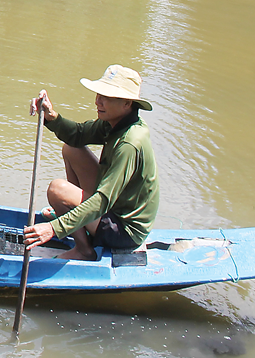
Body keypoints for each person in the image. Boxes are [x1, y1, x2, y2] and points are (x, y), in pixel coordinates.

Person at [23, 65, 158, 260]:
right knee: (71, 148)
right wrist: (51, 116)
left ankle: (83, 249)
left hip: (124, 229)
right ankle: (77, 219)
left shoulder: (129, 143)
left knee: (57, 190)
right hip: (115, 206)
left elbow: (103, 200)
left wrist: (53, 228)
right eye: (98, 94)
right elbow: (77, 135)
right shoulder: (115, 123)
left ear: (127, 103)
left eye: (107, 97)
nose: (98, 101)